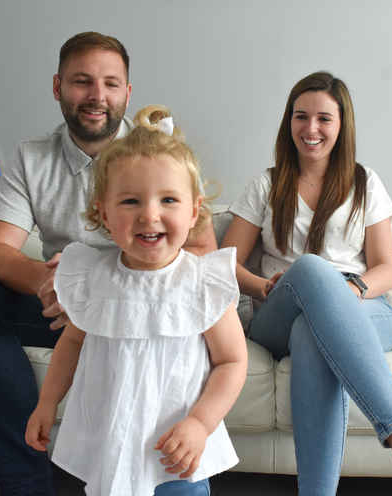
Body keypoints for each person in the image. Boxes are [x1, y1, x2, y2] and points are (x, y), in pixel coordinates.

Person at [0, 33, 217, 496]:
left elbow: (203, 253)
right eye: (82, 82)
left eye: (111, 84)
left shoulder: (156, 152)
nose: (97, 96)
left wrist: (115, 292)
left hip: (144, 310)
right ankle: (27, 483)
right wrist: (55, 286)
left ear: (128, 93)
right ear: (57, 87)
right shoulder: (31, 158)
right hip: (64, 307)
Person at [220, 71, 392, 496]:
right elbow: (224, 263)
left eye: (323, 119)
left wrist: (346, 293)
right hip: (279, 308)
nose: (310, 129)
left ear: (342, 125)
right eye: (301, 117)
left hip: (363, 307)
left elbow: (385, 268)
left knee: (314, 333)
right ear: (288, 122)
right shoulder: (266, 183)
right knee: (314, 269)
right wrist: (261, 287)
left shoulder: (365, 182)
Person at [24, 105, 248, 496]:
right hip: (109, 447)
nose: (149, 215)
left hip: (177, 455)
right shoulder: (94, 278)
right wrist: (47, 403)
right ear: (103, 214)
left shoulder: (202, 282)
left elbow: (231, 362)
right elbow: (72, 343)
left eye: (168, 201)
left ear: (195, 210)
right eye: (130, 202)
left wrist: (200, 423)